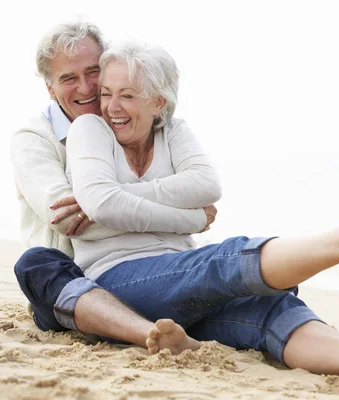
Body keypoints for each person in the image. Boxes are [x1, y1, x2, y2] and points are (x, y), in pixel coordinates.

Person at [64, 39, 339, 386]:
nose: (112, 106)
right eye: (107, 93)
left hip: (179, 277)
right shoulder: (90, 129)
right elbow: (103, 204)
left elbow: (206, 186)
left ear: (158, 102)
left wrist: (125, 193)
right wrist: (193, 219)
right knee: (219, 262)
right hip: (117, 281)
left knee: (267, 307)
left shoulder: (174, 133)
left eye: (127, 95)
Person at [10, 20, 212, 350]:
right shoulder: (33, 140)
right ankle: (149, 333)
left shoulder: (128, 121)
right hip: (73, 288)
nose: (87, 87)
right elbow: (68, 220)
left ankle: (161, 328)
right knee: (36, 263)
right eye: (69, 78)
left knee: (259, 286)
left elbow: (191, 185)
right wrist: (192, 218)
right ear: (49, 87)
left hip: (145, 274)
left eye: (93, 72)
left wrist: (111, 203)